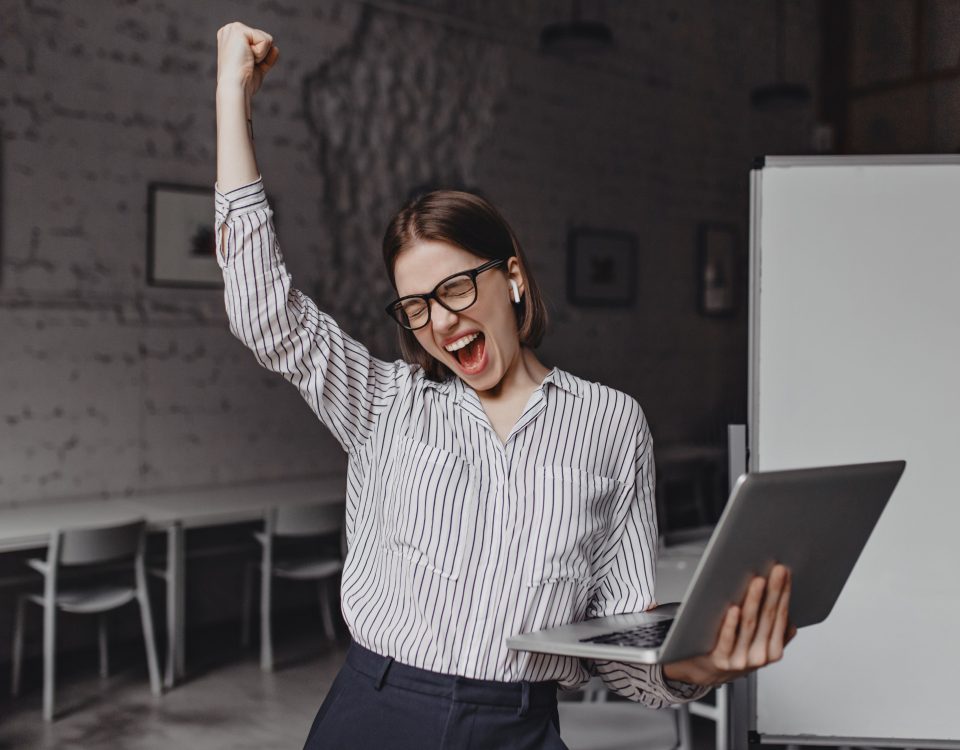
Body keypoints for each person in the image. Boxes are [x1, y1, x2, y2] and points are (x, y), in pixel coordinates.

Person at [215, 21, 796, 750]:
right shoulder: (384, 404)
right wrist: (231, 94)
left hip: (519, 726)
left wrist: (699, 664)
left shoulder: (612, 424)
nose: (440, 320)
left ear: (513, 278)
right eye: (417, 306)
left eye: (456, 287)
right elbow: (266, 315)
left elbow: (623, 653)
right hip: (377, 712)